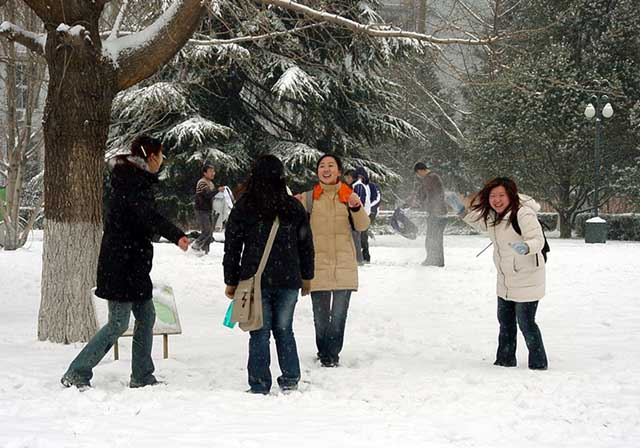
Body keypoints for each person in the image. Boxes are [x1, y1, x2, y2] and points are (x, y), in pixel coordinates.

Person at [61, 135, 190, 390]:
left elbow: (144, 220)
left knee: (147, 316)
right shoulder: (132, 183)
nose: (162, 160)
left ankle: (142, 375)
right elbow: (148, 217)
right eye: (161, 155)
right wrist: (176, 235)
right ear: (150, 156)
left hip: (134, 264)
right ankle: (77, 372)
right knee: (118, 323)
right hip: (120, 264)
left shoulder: (136, 180)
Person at [223, 155, 314, 394]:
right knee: (284, 329)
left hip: (256, 278)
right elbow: (306, 244)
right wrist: (307, 276)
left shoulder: (245, 206)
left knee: (259, 332)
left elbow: (232, 246)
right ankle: (291, 377)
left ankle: (260, 383)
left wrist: (231, 280)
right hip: (289, 278)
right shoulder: (293, 206)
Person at [461, 177, 548, 370]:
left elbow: (537, 239)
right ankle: (505, 360)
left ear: (510, 195)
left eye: (501, 195)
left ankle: (538, 363)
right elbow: (481, 224)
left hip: (527, 278)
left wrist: (526, 247)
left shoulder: (523, 214)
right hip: (505, 279)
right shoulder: (493, 216)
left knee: (526, 323)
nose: (497, 200)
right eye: (493, 196)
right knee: (505, 322)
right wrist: (462, 212)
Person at [298, 154, 369, 367]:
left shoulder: (348, 196)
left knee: (338, 317)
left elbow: (363, 226)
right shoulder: (309, 198)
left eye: (331, 165)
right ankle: (324, 352)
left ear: (338, 171)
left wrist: (356, 207)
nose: (326, 169)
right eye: (322, 166)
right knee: (320, 318)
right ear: (317, 171)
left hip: (344, 265)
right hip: (317, 265)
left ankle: (332, 355)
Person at [413, 162, 447, 267]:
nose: (418, 176)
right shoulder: (430, 178)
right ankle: (435, 260)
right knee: (434, 237)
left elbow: (435, 195)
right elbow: (423, 194)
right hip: (436, 212)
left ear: (420, 170)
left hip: (437, 213)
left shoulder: (431, 178)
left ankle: (435, 260)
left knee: (433, 238)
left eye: (418, 173)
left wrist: (424, 204)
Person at [353, 166, 381, 263]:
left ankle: (364, 256)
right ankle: (363, 255)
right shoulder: (359, 185)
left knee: (363, 233)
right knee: (362, 234)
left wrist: (369, 208)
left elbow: (376, 199)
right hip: (365, 211)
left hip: (369, 212)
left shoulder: (371, 186)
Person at [192, 161, 221, 255]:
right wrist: (218, 190)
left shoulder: (211, 183)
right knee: (206, 230)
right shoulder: (202, 182)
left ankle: (205, 251)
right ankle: (196, 245)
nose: (213, 173)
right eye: (210, 171)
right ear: (205, 173)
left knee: (210, 232)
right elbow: (208, 195)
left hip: (208, 210)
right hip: (201, 210)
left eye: (213, 171)